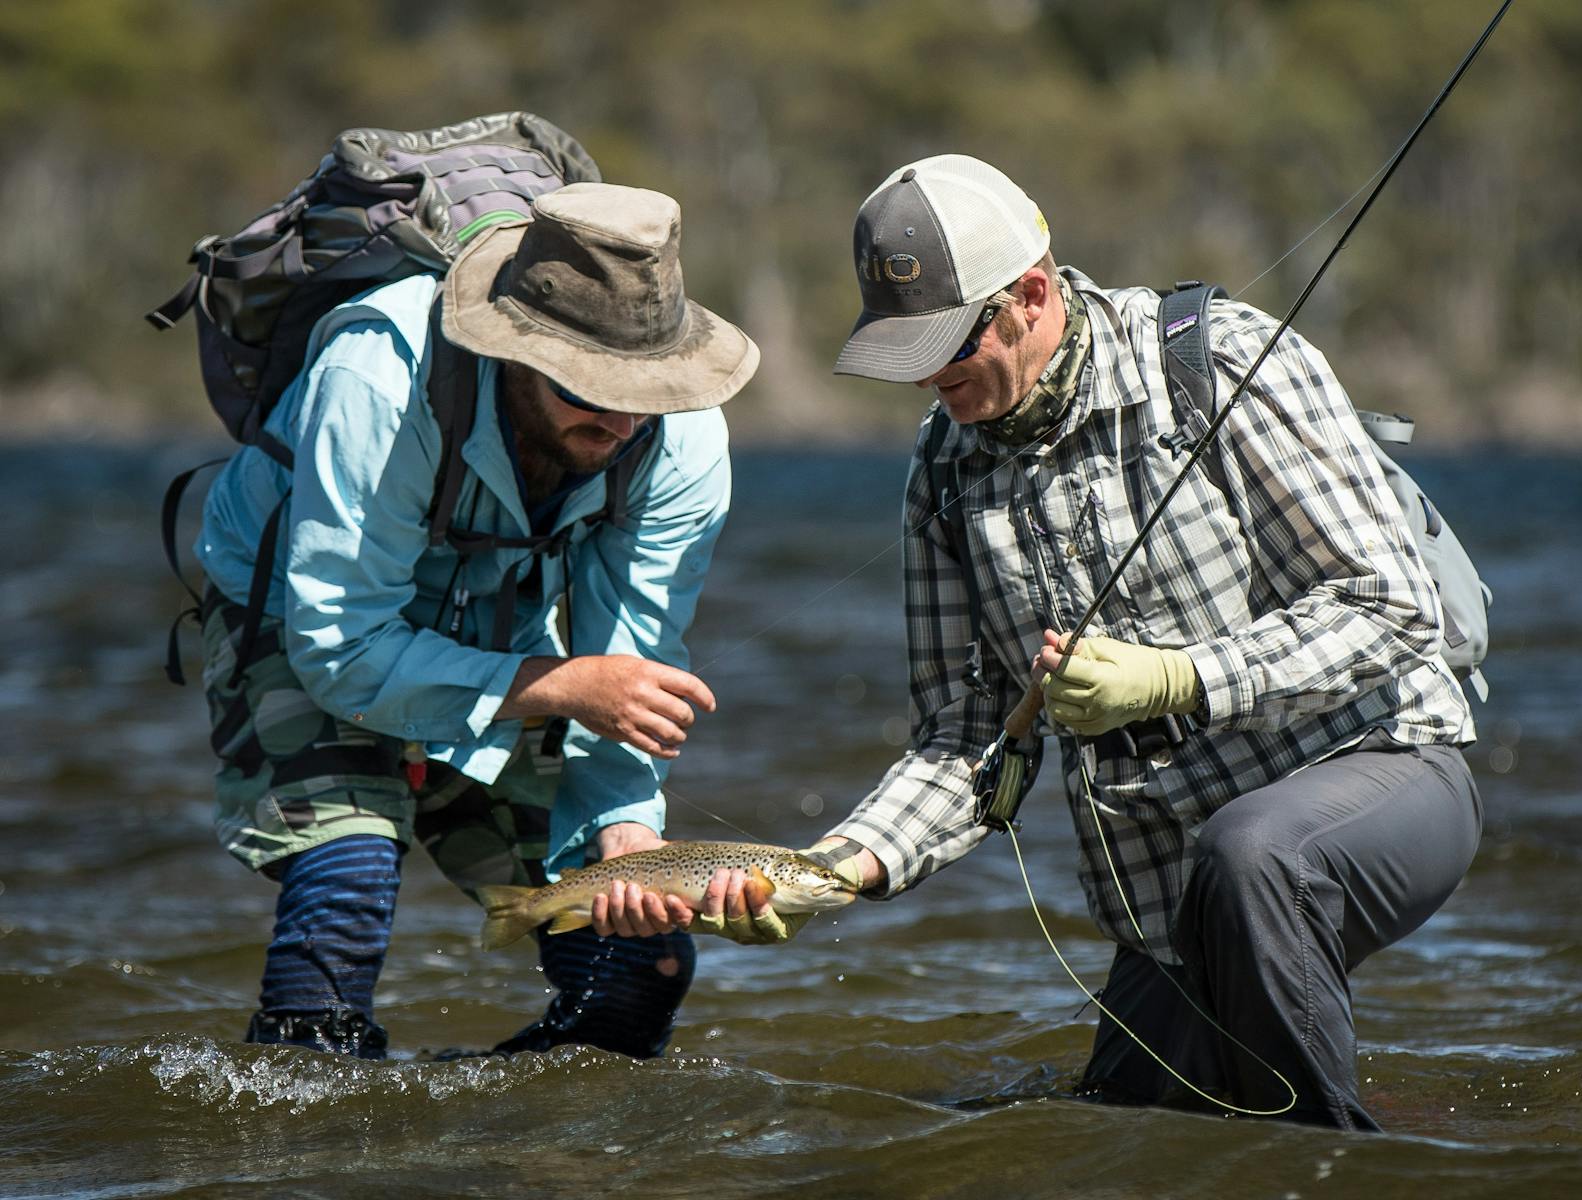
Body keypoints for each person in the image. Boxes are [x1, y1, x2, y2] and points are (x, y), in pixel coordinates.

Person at [806, 154, 1481, 1131]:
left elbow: (1390, 607)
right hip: (1169, 904)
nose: (924, 373)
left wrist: (1182, 678)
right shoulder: (941, 470)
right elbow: (966, 739)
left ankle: (1337, 1172)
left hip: (1386, 771)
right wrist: (841, 867)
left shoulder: (1226, 362)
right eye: (903, 348)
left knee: (1254, 859)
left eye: (945, 341)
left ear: (1029, 295)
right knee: (1114, 1134)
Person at [194, 182, 766, 1060]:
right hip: (303, 620)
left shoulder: (682, 445)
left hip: (498, 637)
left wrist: (626, 844)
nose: (621, 421)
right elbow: (341, 650)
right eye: (591, 387)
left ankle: (497, 1149)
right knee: (344, 885)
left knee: (640, 970)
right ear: (515, 353)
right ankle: (293, 1154)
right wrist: (564, 685)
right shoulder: (378, 379)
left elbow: (631, 672)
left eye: (642, 391)